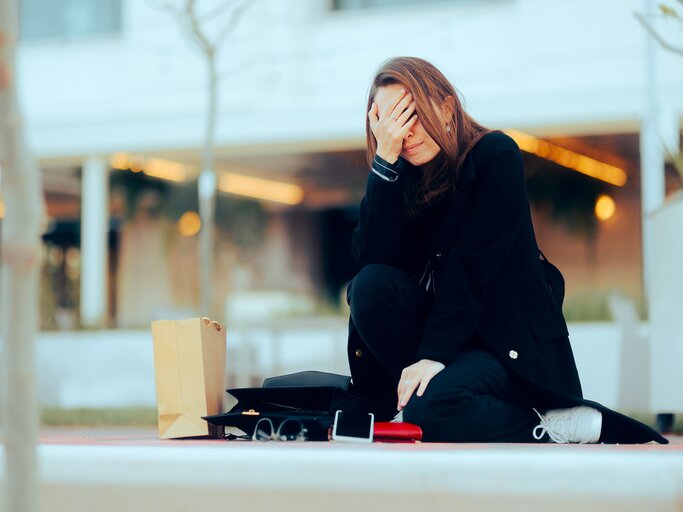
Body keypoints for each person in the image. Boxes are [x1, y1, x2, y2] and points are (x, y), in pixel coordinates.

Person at [346, 56, 667, 444]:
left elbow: (470, 269)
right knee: (369, 286)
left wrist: (433, 355)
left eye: (410, 115)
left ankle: (549, 425)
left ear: (447, 109)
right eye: (388, 122)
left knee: (430, 412)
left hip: (508, 349)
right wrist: (384, 162)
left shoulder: (494, 156)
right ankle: (423, 401)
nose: (403, 133)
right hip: (454, 348)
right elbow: (372, 259)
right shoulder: (404, 179)